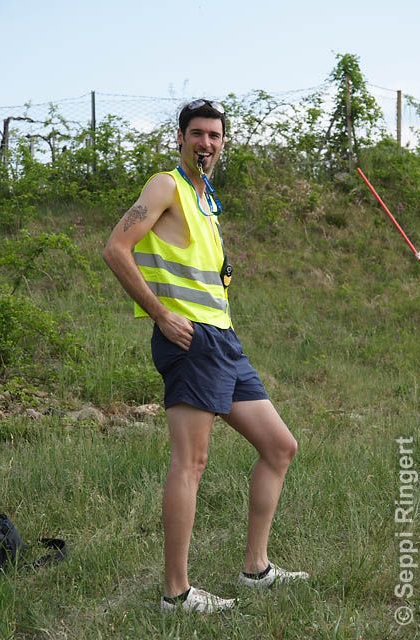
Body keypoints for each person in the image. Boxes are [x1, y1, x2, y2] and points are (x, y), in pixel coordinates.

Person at [103, 99, 308, 613]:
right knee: (191, 463)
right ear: (180, 138)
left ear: (222, 143)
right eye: (197, 133)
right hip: (190, 341)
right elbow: (115, 249)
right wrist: (160, 314)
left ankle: (256, 569)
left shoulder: (205, 199)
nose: (206, 143)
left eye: (215, 136)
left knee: (280, 447)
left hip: (224, 343)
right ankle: (176, 594)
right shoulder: (165, 186)